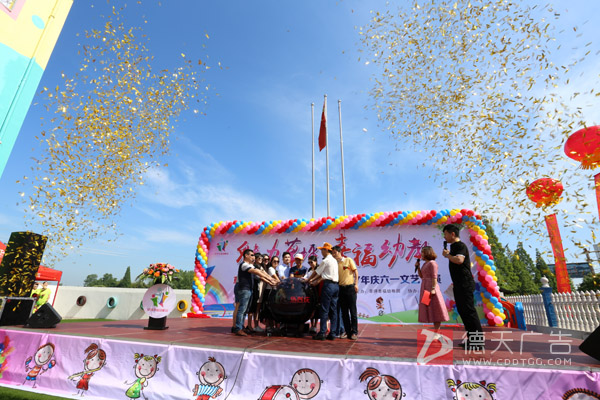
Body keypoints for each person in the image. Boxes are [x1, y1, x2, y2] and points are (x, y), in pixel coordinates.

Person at [442, 224, 483, 349]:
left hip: (465, 284)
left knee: (469, 312)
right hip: (459, 284)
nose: (444, 237)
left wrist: (448, 256)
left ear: (452, 234)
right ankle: (472, 340)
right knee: (464, 312)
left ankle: (477, 342)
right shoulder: (453, 247)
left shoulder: (460, 246)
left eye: (445, 234)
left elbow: (459, 260)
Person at [232, 249, 276, 336]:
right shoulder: (244, 265)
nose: (253, 257)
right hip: (244, 289)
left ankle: (241, 327)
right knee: (242, 309)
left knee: (245, 310)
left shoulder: (250, 265)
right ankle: (238, 328)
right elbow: (257, 272)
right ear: (246, 255)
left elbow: (260, 272)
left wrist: (271, 280)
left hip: (249, 289)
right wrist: (271, 279)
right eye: (252, 255)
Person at [306, 242, 339, 341]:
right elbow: (321, 275)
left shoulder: (326, 261)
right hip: (335, 286)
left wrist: (308, 280)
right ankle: (332, 333)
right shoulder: (334, 260)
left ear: (326, 250)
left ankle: (322, 333)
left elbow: (317, 272)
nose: (321, 252)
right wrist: (313, 280)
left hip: (328, 286)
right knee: (333, 310)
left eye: (322, 250)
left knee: (324, 309)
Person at [416, 246, 449, 339]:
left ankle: (437, 332)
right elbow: (422, 276)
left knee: (435, 309)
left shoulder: (432, 263)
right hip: (425, 287)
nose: (421, 254)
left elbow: (434, 277)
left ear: (427, 253)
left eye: (423, 252)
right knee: (429, 309)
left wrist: (433, 288)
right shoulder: (425, 264)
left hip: (431, 288)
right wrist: (418, 267)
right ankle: (436, 332)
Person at [332, 245, 359, 340]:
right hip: (341, 289)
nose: (333, 254)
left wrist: (356, 284)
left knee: (353, 312)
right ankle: (348, 332)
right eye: (332, 253)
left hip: (350, 288)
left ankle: (354, 332)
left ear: (339, 252)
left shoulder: (348, 260)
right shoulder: (335, 264)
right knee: (344, 313)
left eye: (335, 252)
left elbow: (356, 272)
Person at [260, 256, 281, 334]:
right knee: (268, 310)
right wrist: (282, 283)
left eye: (277, 261)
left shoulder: (276, 270)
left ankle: (272, 327)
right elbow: (276, 279)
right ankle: (268, 327)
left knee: (273, 310)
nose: (276, 262)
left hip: (274, 291)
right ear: (271, 262)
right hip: (269, 291)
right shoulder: (271, 269)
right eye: (274, 261)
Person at [247, 253, 264, 333]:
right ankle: (249, 326)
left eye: (261, 258)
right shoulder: (254, 267)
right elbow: (260, 277)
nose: (261, 259)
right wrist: (271, 280)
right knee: (251, 309)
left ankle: (254, 325)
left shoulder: (260, 267)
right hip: (253, 290)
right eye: (259, 258)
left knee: (256, 309)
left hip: (257, 290)